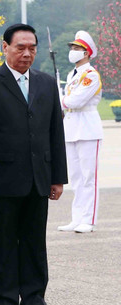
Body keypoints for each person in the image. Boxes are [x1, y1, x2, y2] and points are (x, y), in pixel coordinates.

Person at [0, 23, 68, 305]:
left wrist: (57, 177)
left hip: (39, 177)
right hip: (2, 180)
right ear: (5, 47)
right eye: (20, 48)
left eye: (32, 48)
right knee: (2, 243)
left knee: (34, 243)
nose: (27, 54)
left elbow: (55, 131)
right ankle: (3, 303)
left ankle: (34, 301)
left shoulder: (45, 83)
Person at [58, 31, 102, 233]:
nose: (72, 51)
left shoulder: (90, 75)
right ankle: (77, 218)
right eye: (72, 48)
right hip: (71, 126)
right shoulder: (71, 74)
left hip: (87, 127)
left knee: (88, 177)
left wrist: (59, 100)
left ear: (86, 53)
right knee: (76, 177)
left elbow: (76, 101)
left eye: (77, 48)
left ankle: (89, 219)